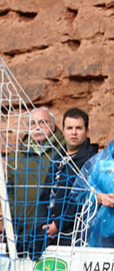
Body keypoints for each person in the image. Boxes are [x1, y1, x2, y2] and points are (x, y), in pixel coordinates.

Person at [36, 108, 98, 252]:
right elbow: (45, 194)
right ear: (63, 130)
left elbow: (82, 199)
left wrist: (58, 224)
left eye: (78, 128)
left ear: (87, 131)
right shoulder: (57, 158)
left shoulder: (92, 160)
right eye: (69, 128)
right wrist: (42, 225)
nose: (74, 133)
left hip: (75, 237)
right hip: (48, 236)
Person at [3, 108, 62, 257]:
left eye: (43, 122)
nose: (37, 127)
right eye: (32, 123)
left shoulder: (63, 153)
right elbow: (8, 194)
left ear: (53, 126)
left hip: (51, 233)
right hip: (20, 233)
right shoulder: (15, 157)